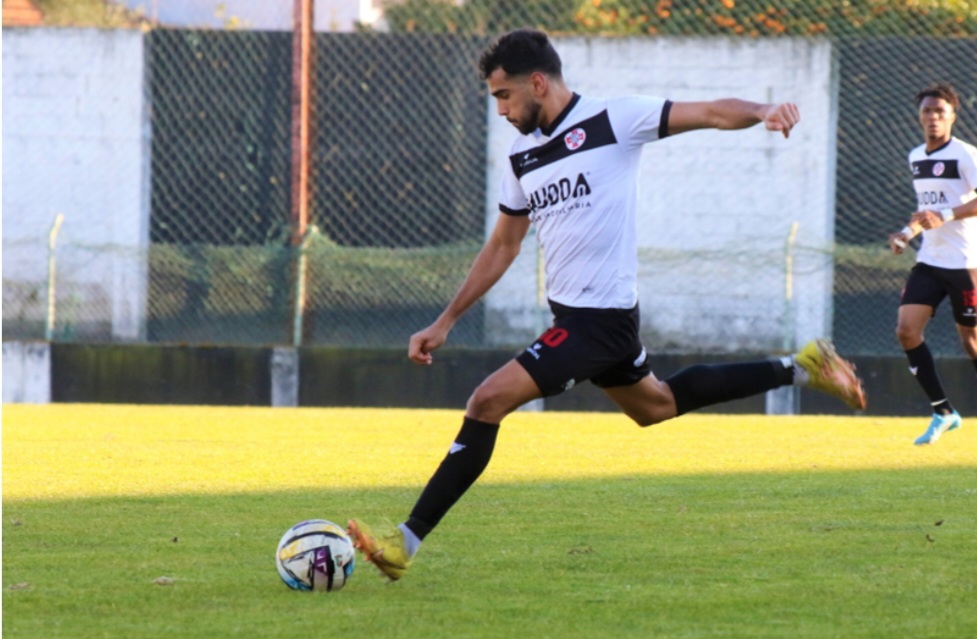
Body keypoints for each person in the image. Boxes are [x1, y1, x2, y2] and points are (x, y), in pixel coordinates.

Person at [347, 28, 866, 581]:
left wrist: (763, 110)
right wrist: (445, 320)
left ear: (537, 83)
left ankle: (404, 542)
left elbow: (712, 112)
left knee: (486, 400)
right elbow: (503, 246)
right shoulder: (521, 158)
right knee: (656, 406)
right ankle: (802, 366)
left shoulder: (613, 119)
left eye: (504, 96)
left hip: (600, 321)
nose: (500, 110)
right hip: (576, 319)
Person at [888, 82, 977, 446]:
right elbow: (926, 211)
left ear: (953, 116)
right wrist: (906, 233)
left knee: (971, 342)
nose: (933, 117)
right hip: (930, 260)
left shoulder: (966, 154)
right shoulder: (915, 156)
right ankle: (943, 412)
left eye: (940, 111)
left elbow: (947, 210)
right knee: (906, 330)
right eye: (927, 111)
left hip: (967, 263)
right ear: (919, 116)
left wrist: (945, 214)